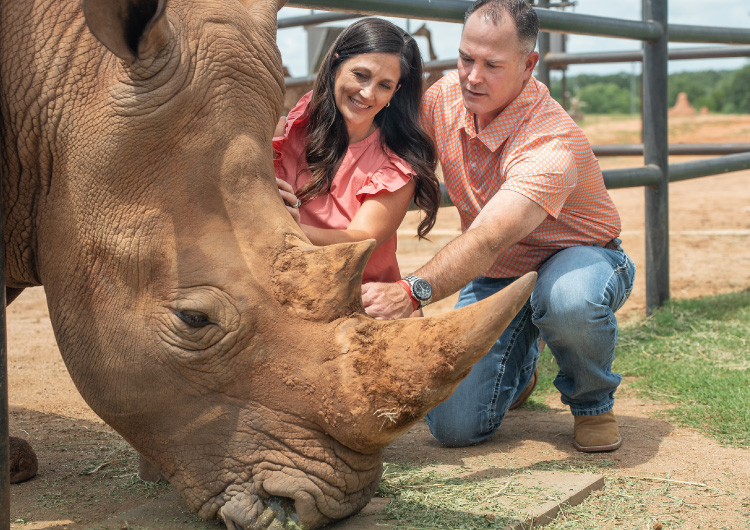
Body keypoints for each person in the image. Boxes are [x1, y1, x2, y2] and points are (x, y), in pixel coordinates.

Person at [361, 0, 636, 453]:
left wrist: (412, 291)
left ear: (529, 65)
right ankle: (521, 366)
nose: (472, 76)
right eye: (466, 57)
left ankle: (592, 403)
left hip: (577, 258)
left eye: (492, 64)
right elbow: (389, 152)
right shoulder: (445, 98)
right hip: (500, 272)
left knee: (567, 300)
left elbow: (488, 237)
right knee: (452, 428)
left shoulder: (551, 140)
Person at [273, 17, 440, 286]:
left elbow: (363, 238)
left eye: (384, 85)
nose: (367, 93)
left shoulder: (397, 162)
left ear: (395, 92)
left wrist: (290, 228)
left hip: (362, 301)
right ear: (336, 65)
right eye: (361, 75)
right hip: (286, 287)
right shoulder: (290, 128)